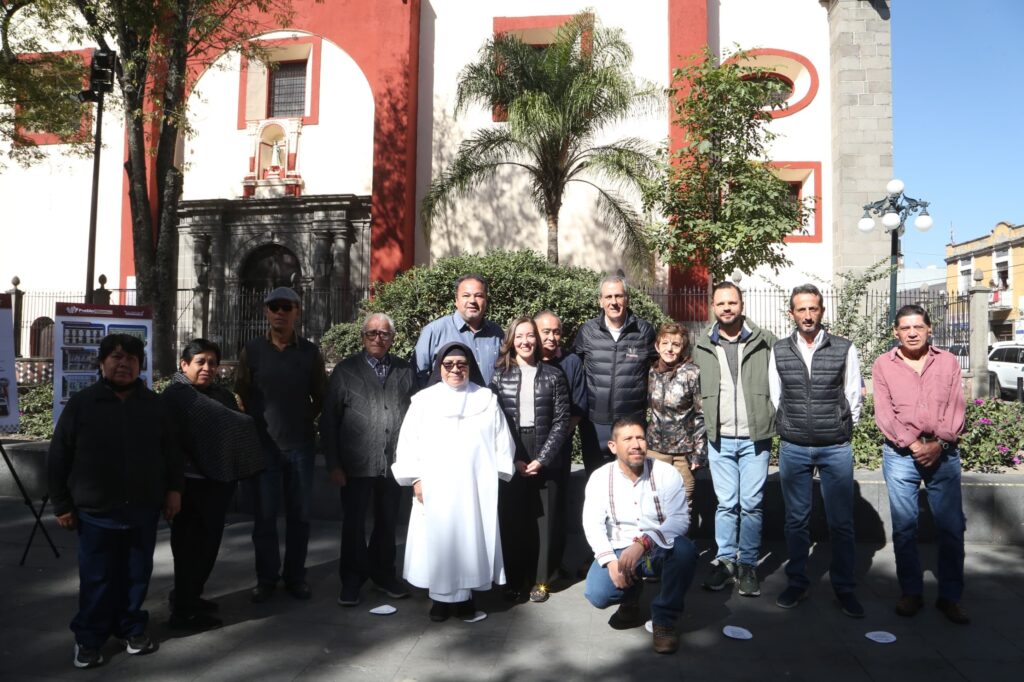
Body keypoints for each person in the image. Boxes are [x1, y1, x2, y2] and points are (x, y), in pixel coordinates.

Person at [47, 334, 182, 669]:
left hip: (142, 510)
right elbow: (58, 458)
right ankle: (89, 639)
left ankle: (131, 628)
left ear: (141, 365)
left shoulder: (154, 405)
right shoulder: (82, 405)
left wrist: (173, 491)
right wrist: (62, 505)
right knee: (97, 578)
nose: (124, 364)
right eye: (117, 357)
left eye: (132, 359)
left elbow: (172, 455)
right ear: (102, 363)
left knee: (137, 575)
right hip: (96, 513)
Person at [392, 342, 515, 622]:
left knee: (471, 542)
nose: (456, 369)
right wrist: (416, 480)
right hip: (436, 487)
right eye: (449, 365)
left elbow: (501, 440)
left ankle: (466, 600)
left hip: (475, 488)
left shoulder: (486, 399)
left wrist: (494, 475)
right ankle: (440, 601)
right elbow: (409, 442)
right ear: (440, 368)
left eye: (462, 364)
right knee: (438, 541)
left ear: (470, 367)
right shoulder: (424, 401)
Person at [769, 283, 863, 617]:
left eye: (813, 309)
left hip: (834, 447)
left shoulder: (843, 348)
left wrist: (841, 428)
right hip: (794, 447)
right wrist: (791, 427)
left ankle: (845, 588)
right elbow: (775, 396)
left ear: (822, 311)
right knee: (796, 521)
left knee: (841, 522)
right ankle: (797, 583)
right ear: (791, 313)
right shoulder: (779, 350)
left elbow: (854, 395)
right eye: (801, 309)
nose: (808, 315)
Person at [872, 304, 969, 624]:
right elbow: (883, 413)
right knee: (905, 528)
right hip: (901, 455)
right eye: (905, 328)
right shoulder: (883, 365)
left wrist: (938, 444)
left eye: (918, 327)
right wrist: (914, 444)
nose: (912, 333)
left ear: (929, 329)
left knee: (952, 528)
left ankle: (950, 597)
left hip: (943, 453)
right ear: (895, 333)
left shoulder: (948, 362)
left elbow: (957, 408)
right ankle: (911, 592)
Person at [162, 338, 263, 631]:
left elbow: (235, 429)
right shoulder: (175, 397)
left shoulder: (221, 395)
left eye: (212, 363)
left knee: (208, 548)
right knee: (188, 551)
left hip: (218, 483)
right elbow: (170, 447)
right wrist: (173, 489)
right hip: (187, 488)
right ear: (184, 365)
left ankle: (190, 596)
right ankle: (183, 612)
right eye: (200, 362)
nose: (207, 368)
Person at [236, 286, 328, 603]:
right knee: (264, 518)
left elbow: (321, 396)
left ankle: (295, 577)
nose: (280, 312)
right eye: (273, 306)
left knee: (300, 517)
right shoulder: (251, 351)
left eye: (286, 307)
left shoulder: (310, 353)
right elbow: (241, 396)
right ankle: (266, 578)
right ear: (265, 312)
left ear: (296, 312)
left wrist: (303, 419)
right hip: (264, 448)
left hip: (300, 446)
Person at [322, 313, 417, 607]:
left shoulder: (404, 370)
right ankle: (351, 581)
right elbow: (329, 421)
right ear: (363, 337)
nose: (378, 338)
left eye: (384, 334)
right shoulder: (346, 370)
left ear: (393, 338)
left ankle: (384, 575)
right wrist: (334, 464)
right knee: (353, 525)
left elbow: (417, 419)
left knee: (387, 523)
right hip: (355, 466)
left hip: (393, 465)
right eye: (372, 333)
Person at [582, 417, 698, 655]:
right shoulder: (600, 477)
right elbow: (592, 523)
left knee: (685, 551)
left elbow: (680, 519)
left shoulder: (666, 473)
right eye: (628, 439)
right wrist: (609, 561)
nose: (636, 444)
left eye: (640, 437)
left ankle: (664, 619)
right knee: (598, 594)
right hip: (619, 549)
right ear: (613, 446)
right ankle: (630, 598)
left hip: (656, 548)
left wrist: (644, 542)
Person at [692, 282, 776, 597]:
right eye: (721, 303)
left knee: (752, 504)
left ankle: (749, 564)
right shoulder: (702, 345)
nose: (727, 308)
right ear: (714, 307)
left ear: (741, 304)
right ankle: (726, 561)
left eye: (732, 303)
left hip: (756, 437)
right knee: (727, 504)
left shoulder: (764, 340)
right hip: (720, 438)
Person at [490, 316, 570, 603]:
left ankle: (541, 580)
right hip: (512, 449)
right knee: (513, 519)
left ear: (537, 339)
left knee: (544, 521)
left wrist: (543, 458)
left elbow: (562, 421)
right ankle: (514, 578)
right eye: (520, 336)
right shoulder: (499, 375)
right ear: (512, 341)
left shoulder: (554, 375)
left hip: (545, 448)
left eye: (530, 336)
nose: (526, 341)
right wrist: (512, 459)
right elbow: (495, 421)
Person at [574, 275, 656, 473]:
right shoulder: (587, 331)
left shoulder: (644, 331)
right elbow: (573, 367)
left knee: (632, 477)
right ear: (600, 301)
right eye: (608, 297)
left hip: (632, 423)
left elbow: (657, 369)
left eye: (618, 296)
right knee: (596, 479)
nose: (614, 302)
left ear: (626, 299)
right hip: (595, 423)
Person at [534, 309, 588, 576]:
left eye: (557, 331)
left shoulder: (571, 363)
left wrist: (552, 445)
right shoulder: (523, 359)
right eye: (546, 331)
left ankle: (551, 568)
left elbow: (576, 411)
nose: (552, 337)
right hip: (525, 448)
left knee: (554, 511)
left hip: (558, 449)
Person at [647, 323, 706, 527]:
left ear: (683, 348)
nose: (670, 349)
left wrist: (699, 452)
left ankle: (680, 552)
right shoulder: (652, 372)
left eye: (675, 344)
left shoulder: (692, 373)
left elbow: (701, 413)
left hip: (684, 452)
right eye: (665, 343)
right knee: (655, 503)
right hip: (655, 449)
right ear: (657, 346)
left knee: (683, 504)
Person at [413, 274, 504, 386]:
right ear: (456, 300)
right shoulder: (435, 331)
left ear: (486, 300)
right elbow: (418, 375)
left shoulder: (496, 333)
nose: (472, 301)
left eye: (479, 295)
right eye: (466, 295)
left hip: (488, 402)